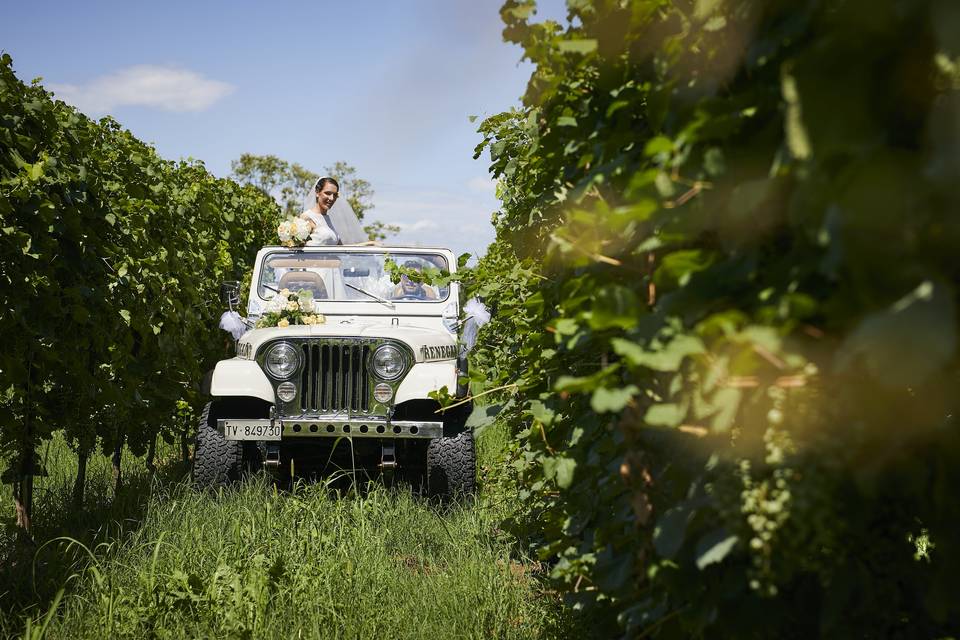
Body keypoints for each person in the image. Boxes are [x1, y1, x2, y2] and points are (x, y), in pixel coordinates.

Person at [300, 176, 342, 245]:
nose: (332, 198)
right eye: (327, 193)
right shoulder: (306, 218)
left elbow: (342, 248)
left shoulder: (328, 219)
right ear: (317, 192)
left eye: (335, 195)